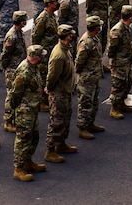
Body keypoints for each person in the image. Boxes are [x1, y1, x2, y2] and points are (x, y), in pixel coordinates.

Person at [9, 46, 47, 182]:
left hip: (33, 109)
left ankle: (28, 161)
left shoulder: (34, 67)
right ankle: (18, 168)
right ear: (36, 57)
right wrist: (15, 112)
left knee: (34, 137)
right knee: (23, 139)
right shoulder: (24, 72)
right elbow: (14, 95)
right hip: (25, 112)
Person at [45, 24, 78, 163]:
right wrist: (49, 87)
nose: (72, 37)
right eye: (70, 35)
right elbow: (52, 76)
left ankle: (61, 143)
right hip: (59, 93)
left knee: (65, 118)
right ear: (67, 36)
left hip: (65, 91)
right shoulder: (59, 55)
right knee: (57, 121)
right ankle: (50, 150)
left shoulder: (65, 49)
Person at [75, 16, 106, 140]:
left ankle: (90, 123)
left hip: (94, 76)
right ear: (97, 28)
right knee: (85, 103)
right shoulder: (86, 42)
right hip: (87, 78)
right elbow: (79, 62)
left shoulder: (94, 38)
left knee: (94, 101)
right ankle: (83, 128)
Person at [0, 10, 28, 132]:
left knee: (17, 94)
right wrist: (6, 68)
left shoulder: (18, 33)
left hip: (18, 68)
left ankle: (15, 118)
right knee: (11, 95)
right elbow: (5, 55)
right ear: (21, 21)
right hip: (12, 70)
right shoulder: (12, 36)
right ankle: (8, 121)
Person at [107, 5, 132, 119]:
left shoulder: (127, 28)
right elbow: (112, 50)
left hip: (126, 61)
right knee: (118, 85)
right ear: (129, 17)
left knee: (127, 82)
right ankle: (114, 108)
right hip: (119, 63)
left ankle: (122, 103)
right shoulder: (117, 30)